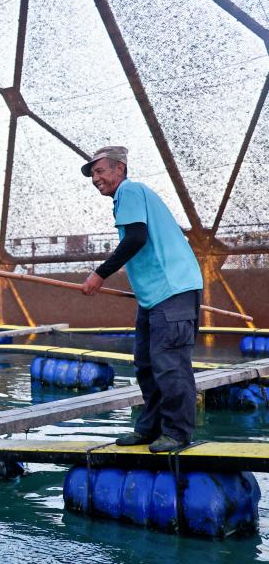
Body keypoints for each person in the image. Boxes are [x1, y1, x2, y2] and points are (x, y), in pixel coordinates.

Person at [79, 146, 203, 453]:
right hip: (154, 297)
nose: (96, 179)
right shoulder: (127, 198)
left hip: (173, 290)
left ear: (119, 169)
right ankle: (150, 429)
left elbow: (136, 238)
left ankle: (177, 433)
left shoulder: (130, 190)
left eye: (100, 171)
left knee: (169, 364)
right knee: (146, 364)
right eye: (93, 174)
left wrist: (100, 273)